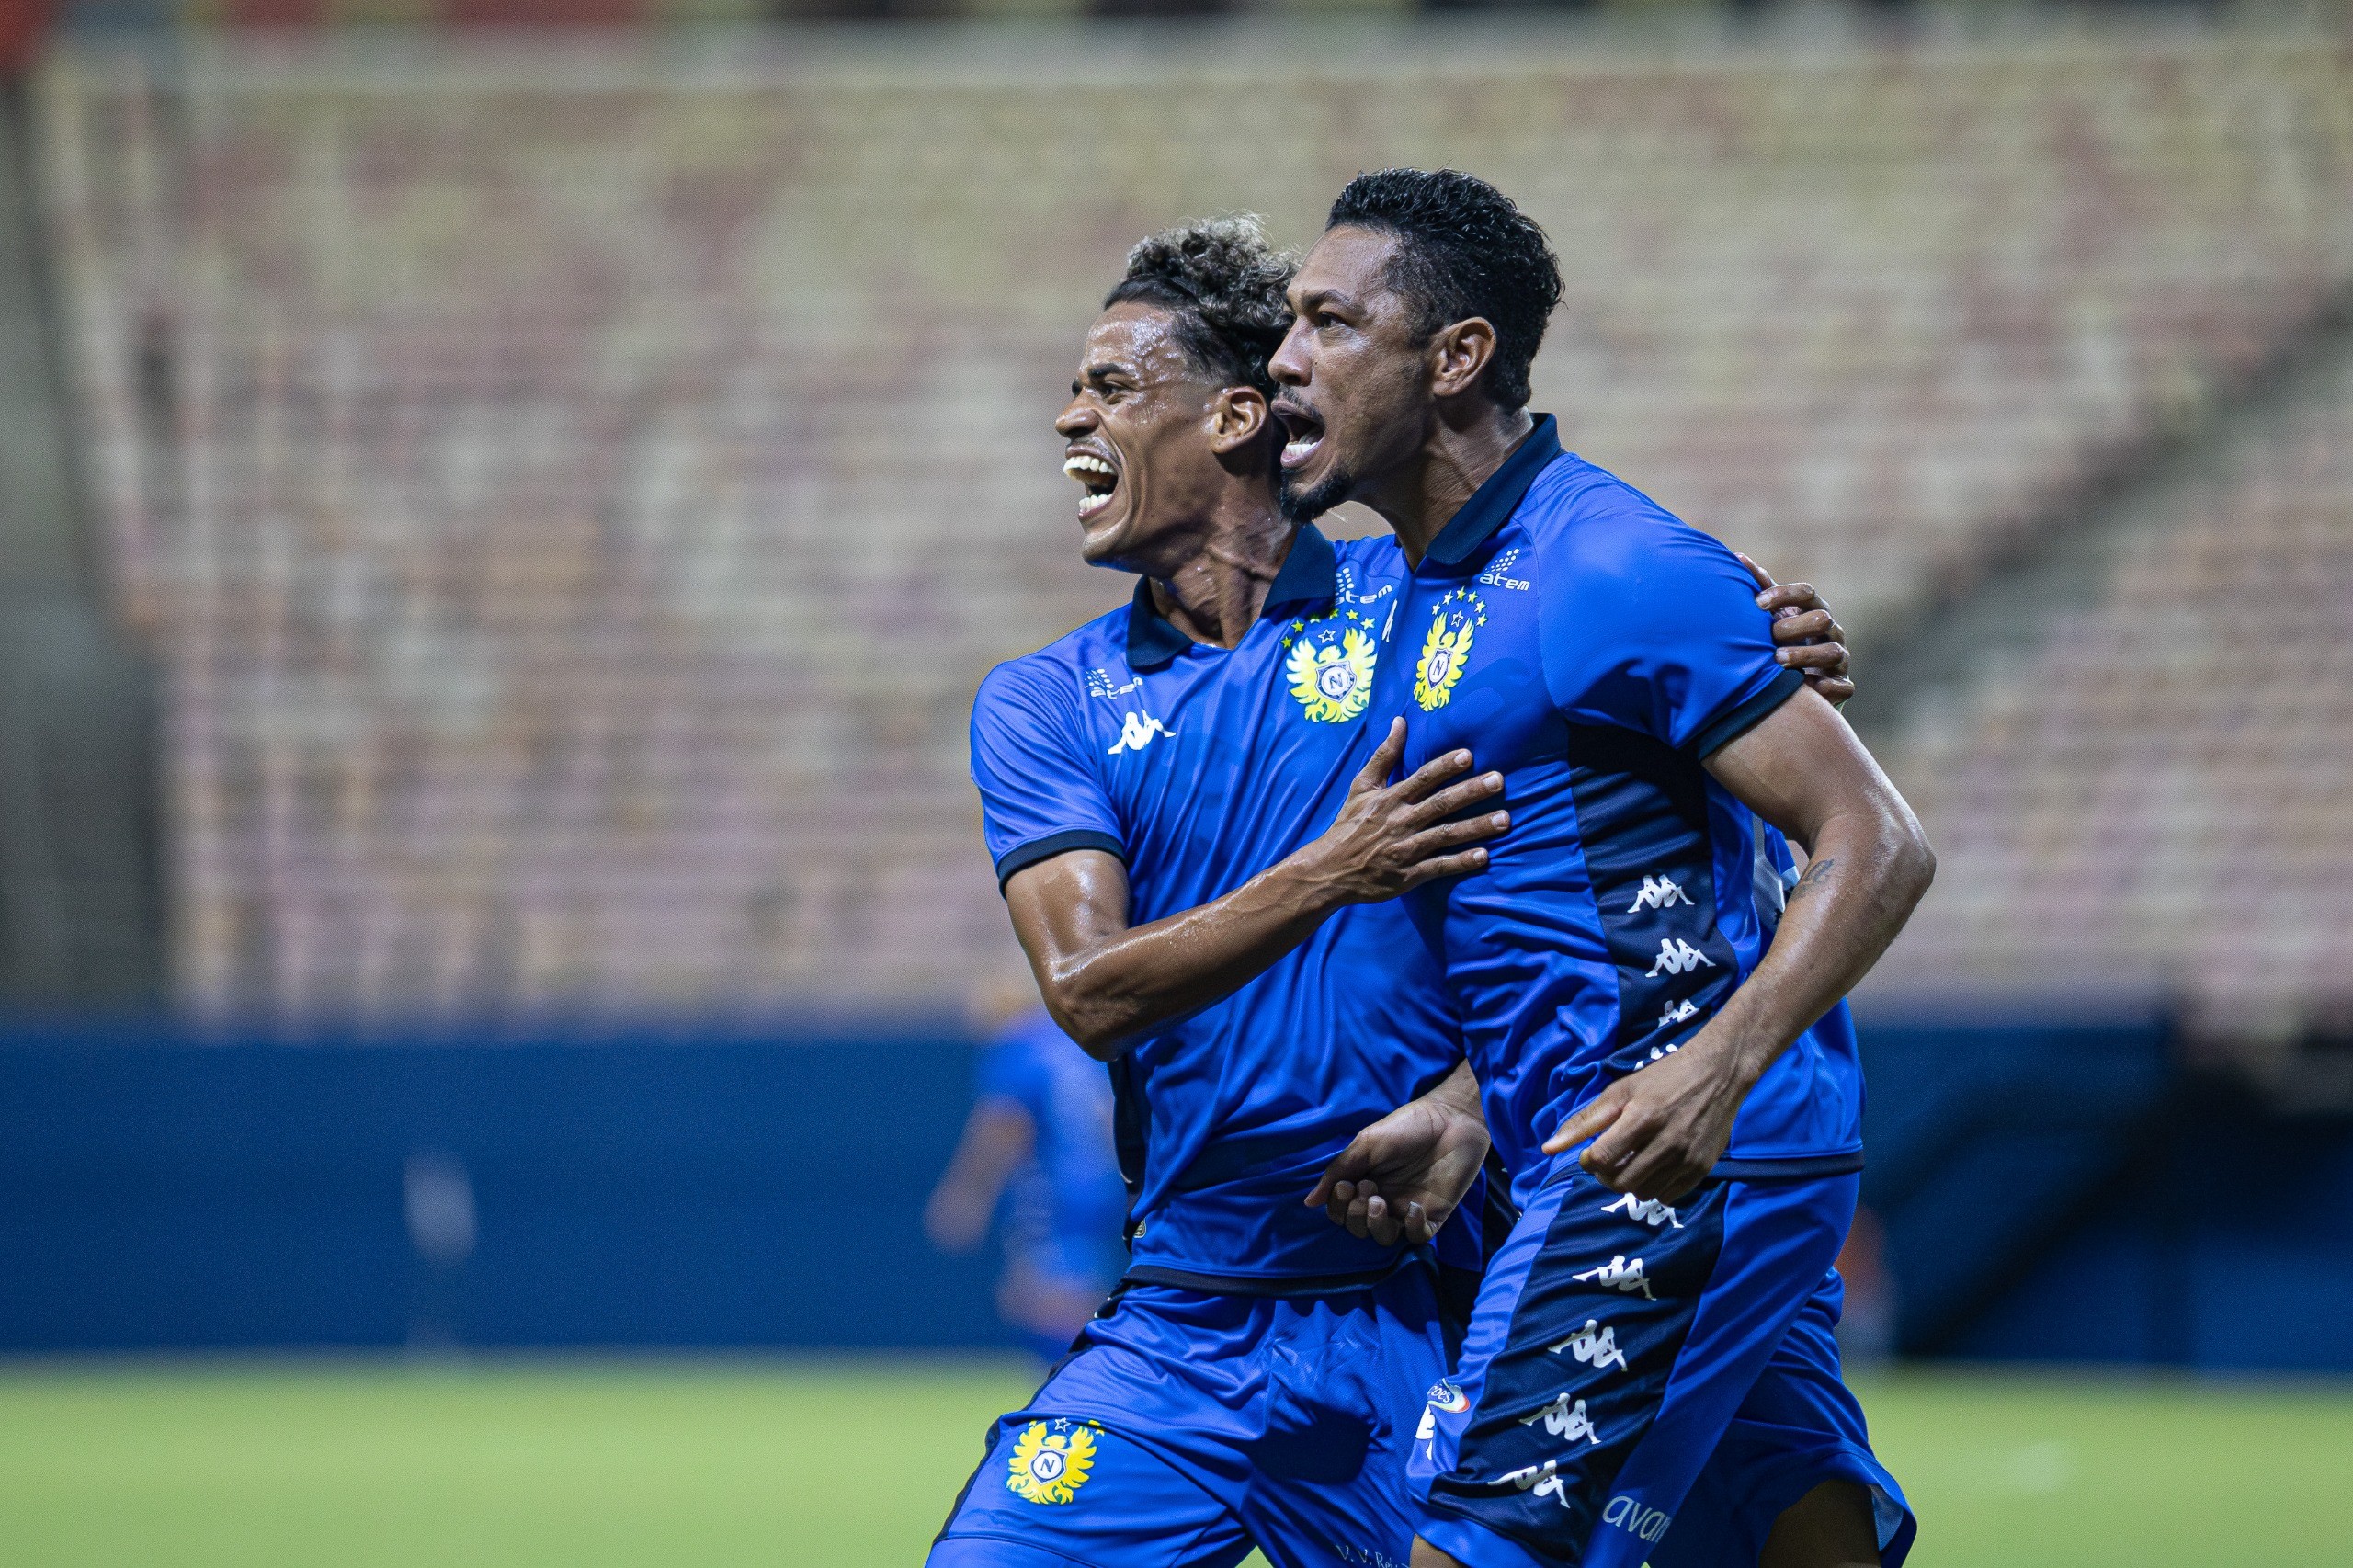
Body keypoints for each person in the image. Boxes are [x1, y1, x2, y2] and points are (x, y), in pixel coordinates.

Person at [929, 216, 1855, 1568]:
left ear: (1234, 418)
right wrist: (1332, 868)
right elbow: (1088, 987)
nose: (1071, 416)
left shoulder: (1434, 606)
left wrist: (1758, 644)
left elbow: (1633, 780)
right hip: (1187, 1310)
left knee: (1791, 1512)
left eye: (1111, 386)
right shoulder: (1045, 703)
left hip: (1434, 1290)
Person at [1267, 168, 1935, 1568]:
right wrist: (1467, 1104)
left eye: (1329, 322)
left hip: (1665, 1151)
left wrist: (1715, 1068)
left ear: (1457, 356)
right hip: (1618, 1134)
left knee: (1468, 1547)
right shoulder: (1427, 585)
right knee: (1793, 1531)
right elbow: (1570, 906)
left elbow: (1877, 838)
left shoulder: (1613, 566)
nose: (1286, 358)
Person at [926, 1000, 1130, 1359]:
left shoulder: (1018, 1048)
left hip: (1049, 1191)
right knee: (1074, 1291)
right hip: (1101, 1188)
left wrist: (969, 1194)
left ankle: (1072, 1384)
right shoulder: (1081, 1042)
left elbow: (1004, 1126)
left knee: (1045, 1299)